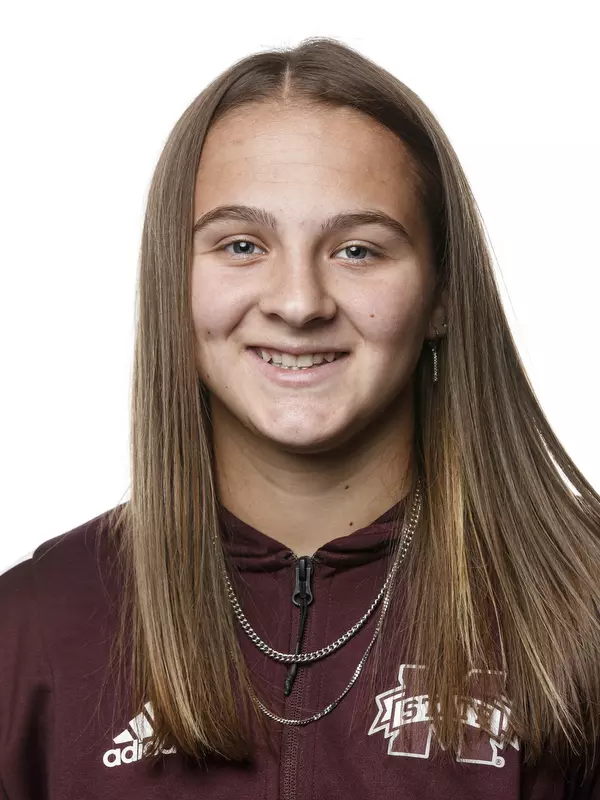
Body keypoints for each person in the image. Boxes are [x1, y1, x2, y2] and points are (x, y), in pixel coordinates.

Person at [1, 35, 599, 799]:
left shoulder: (583, 607)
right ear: (172, 282)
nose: (298, 302)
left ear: (442, 294)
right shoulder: (33, 631)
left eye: (358, 251)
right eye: (241, 245)